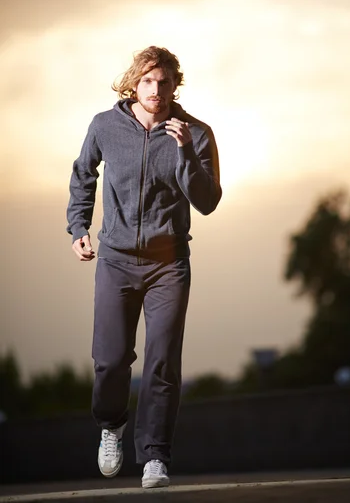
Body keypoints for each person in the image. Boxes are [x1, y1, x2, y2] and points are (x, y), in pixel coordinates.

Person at [66, 46, 222, 489]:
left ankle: (155, 455)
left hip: (168, 263)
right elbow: (83, 175)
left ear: (176, 86)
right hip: (114, 260)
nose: (156, 90)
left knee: (162, 362)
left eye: (165, 82)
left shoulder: (197, 133)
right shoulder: (104, 126)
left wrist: (186, 153)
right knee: (110, 361)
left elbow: (208, 202)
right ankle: (111, 425)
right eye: (148, 81)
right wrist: (78, 225)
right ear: (135, 83)